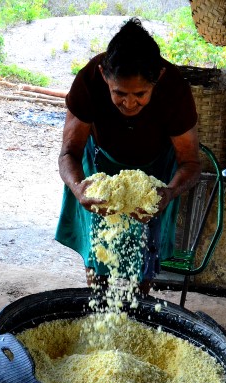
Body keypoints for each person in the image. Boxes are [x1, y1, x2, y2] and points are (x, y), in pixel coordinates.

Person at [55, 18, 201, 295]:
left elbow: (191, 163)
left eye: (140, 94)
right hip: (101, 164)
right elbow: (68, 153)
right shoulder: (89, 81)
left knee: (145, 252)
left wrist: (168, 193)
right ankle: (98, 300)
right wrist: (78, 188)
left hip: (155, 168)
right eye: (119, 93)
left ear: (157, 78)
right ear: (104, 76)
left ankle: (140, 300)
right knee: (99, 246)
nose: (130, 103)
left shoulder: (175, 91)